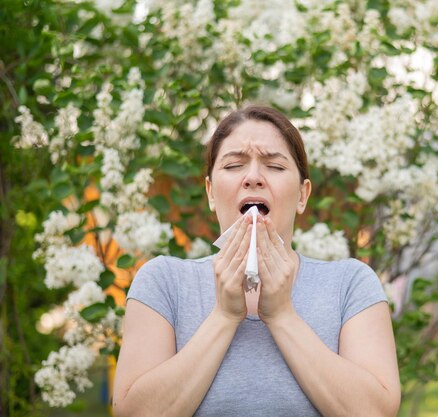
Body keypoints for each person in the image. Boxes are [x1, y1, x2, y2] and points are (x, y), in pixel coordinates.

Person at [112, 105, 401, 417]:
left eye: (275, 167)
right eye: (234, 165)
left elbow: (376, 412)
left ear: (303, 195)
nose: (253, 177)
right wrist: (223, 316)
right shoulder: (163, 281)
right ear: (210, 192)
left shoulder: (351, 284)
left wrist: (281, 315)